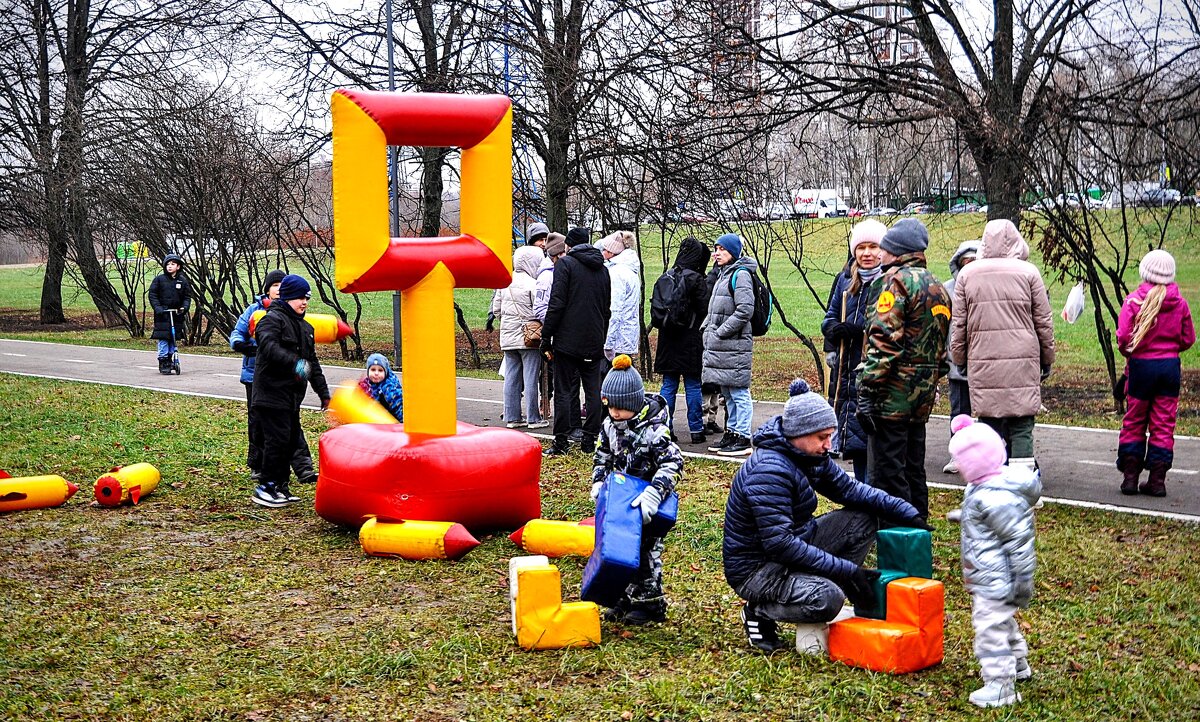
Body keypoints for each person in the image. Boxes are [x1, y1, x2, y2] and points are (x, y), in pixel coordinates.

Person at [723, 379, 928, 653]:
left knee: (864, 518)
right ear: (800, 432)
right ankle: (759, 610)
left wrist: (905, 511)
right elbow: (780, 544)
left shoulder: (808, 456)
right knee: (827, 600)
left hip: (794, 546)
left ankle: (821, 582)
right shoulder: (769, 470)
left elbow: (850, 490)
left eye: (830, 436)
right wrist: (845, 571)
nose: (828, 445)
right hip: (757, 570)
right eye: (822, 437)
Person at [857, 218, 951, 522]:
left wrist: (868, 387)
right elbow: (942, 349)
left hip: (891, 396)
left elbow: (885, 341)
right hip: (920, 398)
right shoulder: (936, 285)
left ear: (896, 251)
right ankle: (917, 531)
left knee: (888, 473)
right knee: (913, 469)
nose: (880, 253)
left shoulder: (893, 282)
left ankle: (897, 541)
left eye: (884, 248)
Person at [948, 414, 1039, 708]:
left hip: (995, 580)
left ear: (973, 463)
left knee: (990, 629)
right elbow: (986, 519)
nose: (958, 467)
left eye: (960, 461)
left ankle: (1000, 685)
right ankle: (1019, 665)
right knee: (1002, 622)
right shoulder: (988, 487)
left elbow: (1018, 542)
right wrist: (965, 519)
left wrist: (1023, 581)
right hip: (993, 577)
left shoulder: (993, 497)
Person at [949, 219, 1054, 471]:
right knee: (1022, 425)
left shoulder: (967, 275)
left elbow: (959, 325)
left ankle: (992, 478)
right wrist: (1047, 357)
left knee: (988, 423)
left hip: (983, 359)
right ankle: (1023, 484)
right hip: (1022, 359)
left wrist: (959, 360)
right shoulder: (1029, 273)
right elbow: (1043, 321)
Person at [589, 354, 684, 624]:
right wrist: (599, 481)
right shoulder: (609, 426)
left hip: (647, 504)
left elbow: (674, 463)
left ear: (634, 402)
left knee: (645, 553)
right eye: (610, 407)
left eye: (620, 407)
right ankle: (622, 598)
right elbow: (602, 455)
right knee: (618, 549)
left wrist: (654, 493)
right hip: (620, 502)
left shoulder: (654, 431)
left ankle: (650, 603)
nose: (615, 413)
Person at [1115, 250, 1195, 496]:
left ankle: (1130, 477)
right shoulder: (1180, 304)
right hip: (1169, 369)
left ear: (1145, 273)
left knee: (1135, 420)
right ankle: (1157, 481)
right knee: (1163, 423)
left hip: (1141, 369)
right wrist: (1168, 349)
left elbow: (1123, 339)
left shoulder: (1133, 301)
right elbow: (1188, 338)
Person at [229, 270, 318, 485]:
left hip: (285, 380)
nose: (278, 289)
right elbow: (236, 336)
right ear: (267, 289)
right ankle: (258, 466)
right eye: (274, 285)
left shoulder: (295, 314)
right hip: (255, 377)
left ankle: (302, 467)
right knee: (258, 424)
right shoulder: (254, 311)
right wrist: (246, 348)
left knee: (290, 423)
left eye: (282, 285)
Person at [250, 274, 331, 508]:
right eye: (298, 297)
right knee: (276, 442)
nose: (303, 302)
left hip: (292, 397)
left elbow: (312, 364)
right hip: (270, 394)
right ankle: (266, 486)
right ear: (286, 297)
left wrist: (323, 392)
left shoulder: (306, 328)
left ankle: (281, 487)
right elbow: (268, 347)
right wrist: (294, 363)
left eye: (306, 297)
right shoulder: (271, 320)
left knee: (288, 442)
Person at [821, 220, 886, 483]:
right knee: (857, 446)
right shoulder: (845, 280)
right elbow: (829, 318)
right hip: (846, 377)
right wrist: (835, 329)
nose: (867, 253)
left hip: (874, 374)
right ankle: (862, 502)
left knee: (876, 443)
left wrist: (857, 330)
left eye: (873, 247)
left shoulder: (889, 282)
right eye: (861, 247)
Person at [540, 227, 611, 456]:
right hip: (594, 338)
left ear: (568, 246)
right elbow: (606, 308)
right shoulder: (603, 270)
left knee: (564, 390)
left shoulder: (565, 265)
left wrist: (546, 336)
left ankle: (561, 440)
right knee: (593, 390)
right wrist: (602, 333)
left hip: (568, 339)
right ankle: (590, 440)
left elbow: (557, 302)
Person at [652, 237, 712, 444]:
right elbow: (705, 309)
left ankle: (665, 428)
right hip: (690, 337)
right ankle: (696, 430)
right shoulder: (696, 280)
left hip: (668, 338)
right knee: (693, 385)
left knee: (668, 385)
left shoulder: (665, 276)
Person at [702, 233, 758, 456]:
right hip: (721, 344)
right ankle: (732, 433)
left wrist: (721, 331)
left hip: (734, 345)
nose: (716, 253)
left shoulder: (740, 274)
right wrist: (707, 328)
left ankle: (743, 437)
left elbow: (745, 310)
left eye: (722, 249)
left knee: (738, 392)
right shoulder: (723, 274)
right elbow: (714, 309)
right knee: (727, 391)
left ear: (733, 252)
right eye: (715, 249)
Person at [492, 245, 547, 429]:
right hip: (528, 338)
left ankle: (512, 417)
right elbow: (539, 311)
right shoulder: (533, 283)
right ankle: (533, 418)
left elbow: (496, 310)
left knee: (511, 378)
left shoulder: (504, 281)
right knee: (531, 378)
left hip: (507, 337)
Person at [941, 240, 980, 474]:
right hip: (956, 360)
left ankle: (988, 454)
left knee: (987, 412)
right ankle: (959, 455)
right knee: (959, 411)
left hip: (984, 361)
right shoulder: (948, 289)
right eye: (966, 263)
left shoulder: (989, 287)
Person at [533, 233, 568, 423]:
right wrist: (554, 324)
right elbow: (540, 307)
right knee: (550, 373)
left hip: (561, 332)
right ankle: (545, 403)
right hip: (554, 331)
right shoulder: (547, 276)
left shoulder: (561, 271)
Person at [148, 253, 192, 374]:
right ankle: (163, 360)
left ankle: (170, 357)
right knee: (163, 338)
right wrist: (158, 308)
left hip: (176, 315)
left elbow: (187, 297)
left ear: (178, 267)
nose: (170, 266)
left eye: (173, 264)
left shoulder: (182, 281)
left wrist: (184, 307)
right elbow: (153, 295)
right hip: (163, 314)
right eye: (168, 264)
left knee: (173, 338)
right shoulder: (159, 280)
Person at [600, 232, 641, 362]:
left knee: (613, 380)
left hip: (618, 340)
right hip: (627, 336)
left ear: (612, 253)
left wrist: (608, 344)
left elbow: (615, 310)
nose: (602, 253)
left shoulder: (617, 273)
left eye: (605, 250)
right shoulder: (630, 270)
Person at [358, 353, 404, 421]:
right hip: (371, 420)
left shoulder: (390, 387)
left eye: (380, 370)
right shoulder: (365, 384)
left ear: (386, 372)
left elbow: (400, 407)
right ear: (368, 371)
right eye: (373, 370)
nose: (376, 373)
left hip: (390, 423)